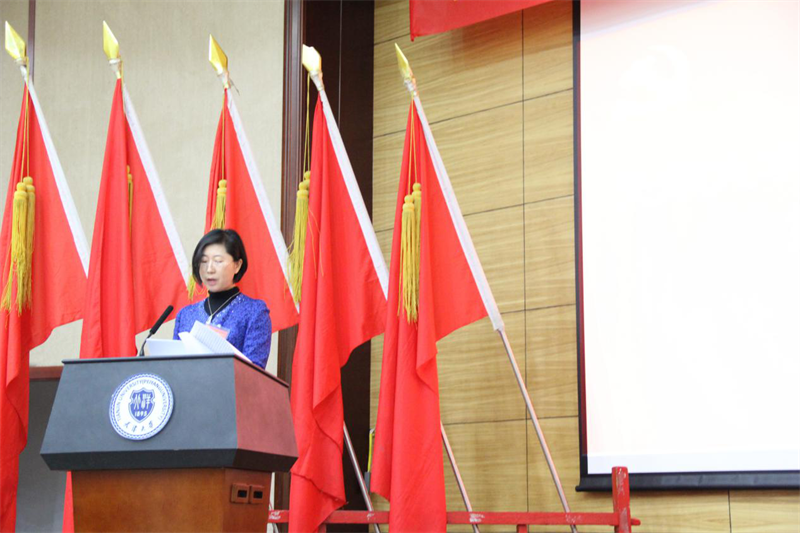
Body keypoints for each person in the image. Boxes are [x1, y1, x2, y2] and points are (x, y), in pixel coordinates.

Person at [173, 229, 271, 368]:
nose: (209, 269)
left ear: (237, 265)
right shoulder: (185, 314)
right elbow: (174, 366)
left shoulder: (255, 312)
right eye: (204, 261)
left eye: (218, 261)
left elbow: (254, 371)